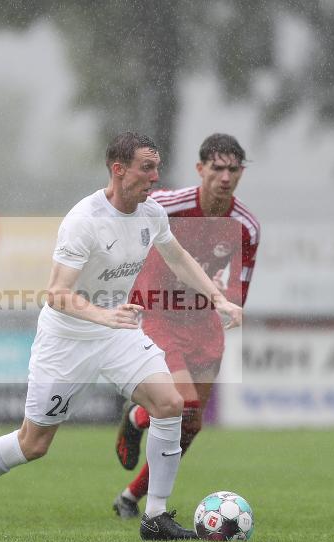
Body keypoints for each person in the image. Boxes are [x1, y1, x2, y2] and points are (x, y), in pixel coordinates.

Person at [0, 132, 243, 541]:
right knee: (32, 444)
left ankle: (155, 517)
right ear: (118, 169)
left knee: (170, 403)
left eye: (157, 167)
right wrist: (104, 315)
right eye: (147, 168)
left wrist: (218, 298)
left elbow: (178, 258)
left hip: (117, 332)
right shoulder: (84, 221)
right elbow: (56, 294)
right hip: (68, 340)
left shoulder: (152, 213)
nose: (155, 176)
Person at [111, 133, 261, 519]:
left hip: (203, 322)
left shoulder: (246, 226)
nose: (225, 177)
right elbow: (123, 209)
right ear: (201, 169)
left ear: (241, 172)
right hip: (159, 312)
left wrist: (233, 305)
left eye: (233, 169)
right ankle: (137, 418)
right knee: (184, 403)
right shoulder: (168, 204)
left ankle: (130, 496)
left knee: (191, 424)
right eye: (217, 168)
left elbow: (240, 279)